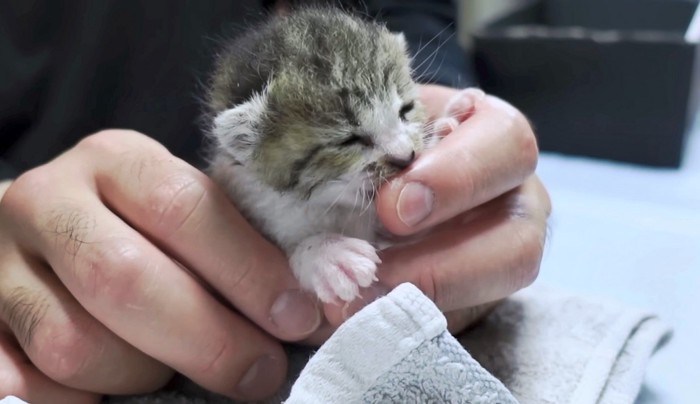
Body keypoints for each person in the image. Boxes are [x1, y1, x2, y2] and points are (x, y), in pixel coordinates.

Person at [0, 0, 551, 402]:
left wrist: (452, 128)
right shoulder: (255, 177)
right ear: (248, 148)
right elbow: (286, 238)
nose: (403, 153)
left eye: (403, 116)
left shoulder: (391, 122)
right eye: (348, 141)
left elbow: (413, 20)